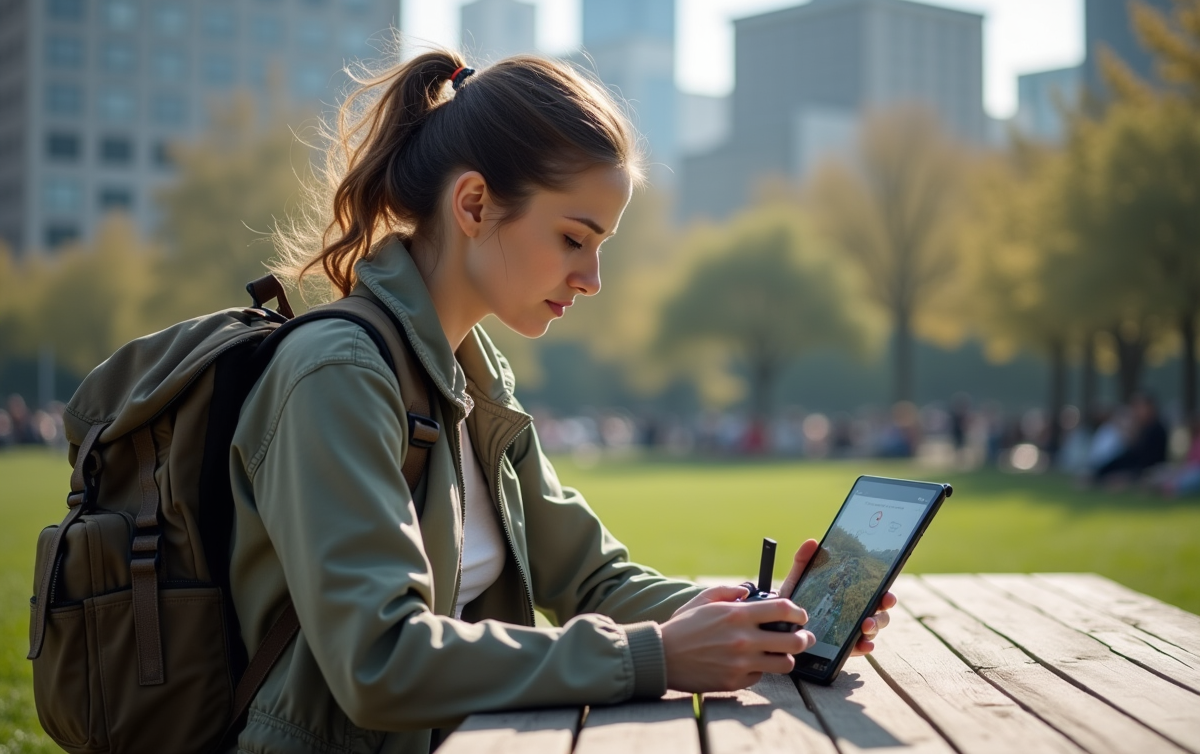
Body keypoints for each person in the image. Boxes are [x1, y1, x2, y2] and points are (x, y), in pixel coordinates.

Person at [228, 49, 895, 754]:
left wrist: (758, 618)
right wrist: (654, 657)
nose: (594, 278)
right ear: (475, 205)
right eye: (574, 238)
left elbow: (590, 578)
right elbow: (380, 661)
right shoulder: (338, 374)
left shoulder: (477, 381)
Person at [1091, 393, 1168, 485]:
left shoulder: (1156, 429)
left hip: (1148, 471)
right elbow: (1127, 456)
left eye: (1139, 407)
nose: (1135, 411)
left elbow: (1146, 461)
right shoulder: (1142, 429)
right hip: (1137, 469)